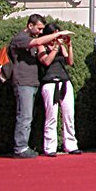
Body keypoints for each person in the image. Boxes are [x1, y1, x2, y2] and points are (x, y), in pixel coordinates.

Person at [10, 16, 74, 158]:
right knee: (24, 116)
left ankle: (25, 145)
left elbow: (69, 61)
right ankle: (20, 148)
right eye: (38, 28)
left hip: (34, 82)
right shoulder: (21, 38)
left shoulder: (33, 38)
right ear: (30, 25)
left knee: (30, 116)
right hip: (23, 82)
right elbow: (39, 45)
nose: (40, 32)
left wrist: (66, 44)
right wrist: (57, 35)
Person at [37, 23, 81, 157]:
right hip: (50, 83)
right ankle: (50, 147)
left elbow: (70, 62)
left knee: (69, 115)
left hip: (64, 81)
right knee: (51, 116)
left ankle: (71, 145)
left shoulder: (61, 46)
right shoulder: (42, 46)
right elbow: (46, 61)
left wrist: (69, 45)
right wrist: (55, 47)